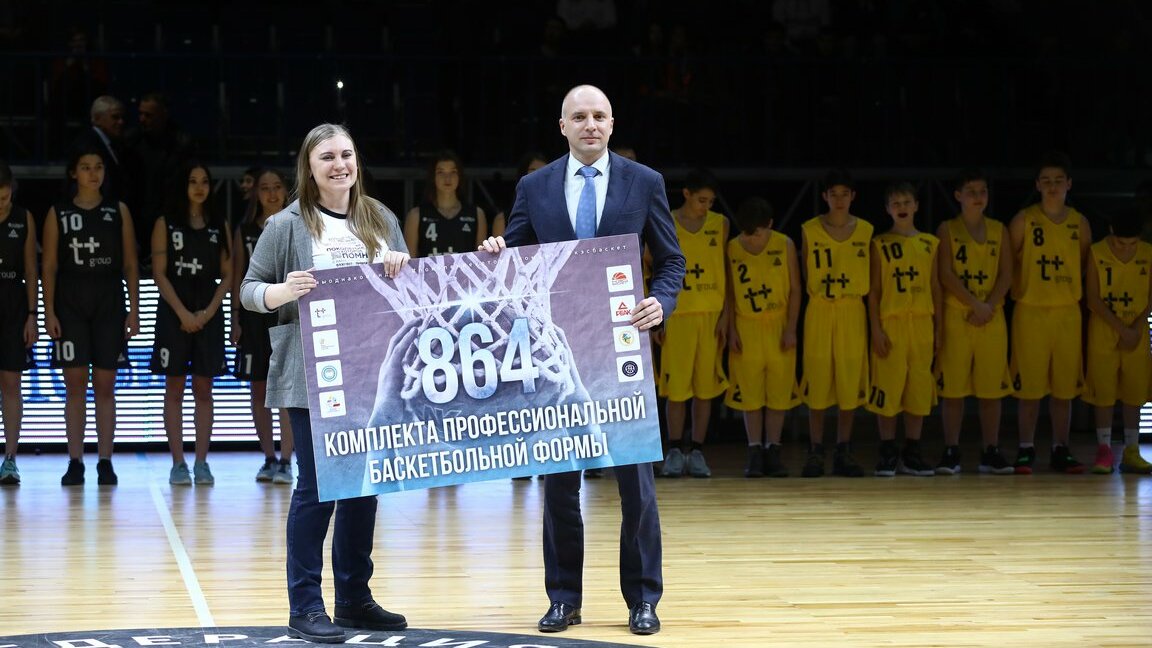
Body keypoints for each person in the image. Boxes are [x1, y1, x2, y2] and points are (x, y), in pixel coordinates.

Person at [479, 84, 683, 636]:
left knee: (636, 485)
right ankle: (563, 598)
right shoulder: (534, 186)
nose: (590, 124)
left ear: (612, 124)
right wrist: (497, 250)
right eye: (580, 116)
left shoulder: (646, 182)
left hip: (622, 348)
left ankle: (643, 599)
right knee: (559, 485)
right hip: (555, 353)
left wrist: (660, 303)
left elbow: (672, 261)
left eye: (599, 116)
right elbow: (514, 259)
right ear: (562, 126)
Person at [240, 123, 410, 643]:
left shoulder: (381, 218)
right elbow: (248, 291)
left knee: (364, 488)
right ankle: (305, 607)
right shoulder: (285, 225)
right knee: (317, 489)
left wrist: (403, 267)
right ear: (309, 168)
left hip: (373, 372)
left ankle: (354, 600)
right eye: (327, 158)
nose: (340, 165)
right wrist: (281, 291)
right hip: (314, 375)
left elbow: (410, 293)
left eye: (346, 155)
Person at [43, 147, 140, 486]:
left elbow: (130, 264)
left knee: (105, 386)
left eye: (98, 167)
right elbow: (49, 265)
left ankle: (105, 460)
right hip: (70, 300)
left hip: (109, 300)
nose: (93, 173)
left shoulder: (118, 210)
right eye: (85, 167)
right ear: (74, 173)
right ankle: (74, 461)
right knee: (74, 386)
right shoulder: (58, 212)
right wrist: (48, 311)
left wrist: (134, 310)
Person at [1008, 151, 1090, 474]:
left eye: (1058, 180)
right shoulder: (1023, 219)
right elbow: (1008, 262)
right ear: (1037, 185)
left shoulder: (1079, 222)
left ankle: (1061, 448)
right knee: (1029, 388)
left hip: (1067, 312)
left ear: (1069, 183)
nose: (1052, 186)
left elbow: (1083, 265)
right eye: (1046, 181)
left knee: (1064, 389)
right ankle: (1026, 448)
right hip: (1031, 311)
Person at [150, 162, 231, 486]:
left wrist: (208, 313)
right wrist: (183, 313)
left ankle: (201, 462)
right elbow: (159, 274)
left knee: (204, 389)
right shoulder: (165, 223)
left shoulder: (219, 224)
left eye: (204, 182)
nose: (199, 187)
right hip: (174, 310)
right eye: (193, 181)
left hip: (208, 308)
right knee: (174, 388)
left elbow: (229, 274)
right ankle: (178, 463)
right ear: (182, 185)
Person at [934, 169, 1015, 475]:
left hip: (991, 316)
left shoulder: (999, 229)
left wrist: (988, 306)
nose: (978, 197)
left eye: (982, 191)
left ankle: (990, 450)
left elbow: (1007, 274)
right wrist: (975, 304)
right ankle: (951, 450)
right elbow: (945, 274)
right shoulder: (947, 229)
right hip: (959, 314)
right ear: (958, 196)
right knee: (953, 390)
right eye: (971, 191)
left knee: (991, 390)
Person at [798, 168, 872, 477]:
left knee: (849, 381)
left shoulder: (866, 230)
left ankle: (844, 449)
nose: (839, 199)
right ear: (825, 196)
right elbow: (804, 273)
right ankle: (816, 450)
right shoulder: (809, 229)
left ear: (853, 197)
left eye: (845, 194)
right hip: (820, 308)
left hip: (852, 309)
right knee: (818, 379)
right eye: (834, 194)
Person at [656, 168, 729, 478]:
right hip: (679, 315)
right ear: (686, 194)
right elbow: (654, 266)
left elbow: (726, 270)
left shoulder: (720, 224)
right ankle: (674, 450)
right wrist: (658, 316)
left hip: (711, 315)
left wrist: (727, 315)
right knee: (676, 390)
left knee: (705, 388)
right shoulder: (667, 221)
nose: (706, 206)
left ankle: (697, 450)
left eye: (711, 201)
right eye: (701, 200)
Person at [867, 182, 941, 477]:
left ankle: (912, 453)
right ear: (887, 209)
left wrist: (939, 328)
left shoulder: (930, 243)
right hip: (892, 323)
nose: (901, 207)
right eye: (895, 203)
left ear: (916, 206)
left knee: (918, 389)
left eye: (906, 202)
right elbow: (874, 291)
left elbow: (935, 287)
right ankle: (887, 452)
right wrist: (876, 329)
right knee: (888, 386)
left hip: (921, 323)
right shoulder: (879, 244)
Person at [724, 196, 800, 478]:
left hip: (778, 323)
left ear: (770, 225)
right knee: (750, 395)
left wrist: (791, 328)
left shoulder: (785, 244)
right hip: (747, 325)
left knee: (778, 393)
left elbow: (796, 289)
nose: (752, 238)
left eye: (757, 232)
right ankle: (754, 451)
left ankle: (773, 451)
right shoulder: (733, 247)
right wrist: (732, 329)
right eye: (748, 232)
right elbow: (730, 292)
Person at [233, 167, 295, 484]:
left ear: (286, 191)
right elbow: (237, 277)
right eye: (265, 188)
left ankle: (286, 460)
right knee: (258, 389)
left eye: (277, 187)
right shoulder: (245, 230)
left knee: (286, 391)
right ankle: (268, 457)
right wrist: (235, 318)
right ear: (256, 193)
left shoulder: (297, 225)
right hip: (254, 316)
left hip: (287, 314)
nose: (271, 193)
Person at [1081, 207, 1152, 474]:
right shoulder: (1097, 252)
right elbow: (1093, 298)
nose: (1127, 248)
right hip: (1105, 327)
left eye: (1132, 243)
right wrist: (1123, 330)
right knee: (1104, 392)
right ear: (1111, 232)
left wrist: (1135, 328)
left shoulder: (1148, 253)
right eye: (1121, 243)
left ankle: (1132, 450)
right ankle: (1104, 450)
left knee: (1135, 392)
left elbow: (1150, 295)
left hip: (1137, 329)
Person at [0, 161, 38, 485]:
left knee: (12, 383)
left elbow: (30, 270)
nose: (1, 204)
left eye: (5, 197)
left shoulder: (23, 218)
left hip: (12, 303)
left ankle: (10, 459)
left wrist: (32, 316)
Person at [403, 150, 488, 257]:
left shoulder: (477, 214)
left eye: (453, 172)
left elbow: (482, 260)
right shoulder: (416, 215)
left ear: (459, 176)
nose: (447, 178)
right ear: (433, 177)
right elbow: (409, 261)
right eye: (441, 172)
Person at [491, 151, 548, 237]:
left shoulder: (557, 215)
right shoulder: (502, 219)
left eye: (543, 171)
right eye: (533, 171)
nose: (538, 176)